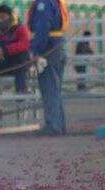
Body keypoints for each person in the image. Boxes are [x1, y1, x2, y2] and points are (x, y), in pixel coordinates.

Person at [28, 0, 69, 136]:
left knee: (49, 89)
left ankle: (53, 126)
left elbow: (42, 28)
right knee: (54, 89)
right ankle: (58, 124)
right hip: (57, 47)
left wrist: (36, 51)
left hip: (48, 50)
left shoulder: (43, 4)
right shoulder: (55, 2)